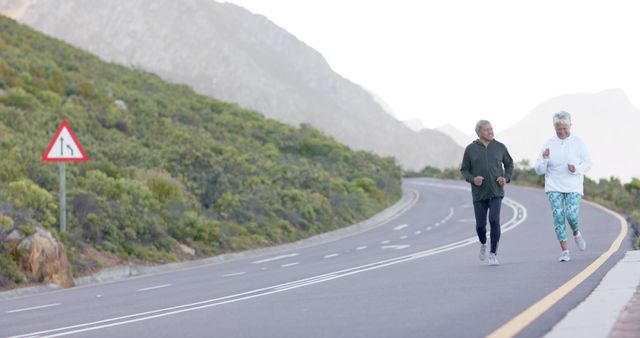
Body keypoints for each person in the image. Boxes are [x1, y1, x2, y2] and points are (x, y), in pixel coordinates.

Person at [535, 111, 592, 262]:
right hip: (554, 186)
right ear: (554, 127)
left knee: (571, 216)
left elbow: (588, 163)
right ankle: (565, 251)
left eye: (564, 128)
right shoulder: (548, 144)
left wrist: (577, 169)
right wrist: (545, 159)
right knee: (558, 217)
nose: (562, 131)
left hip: (573, 186)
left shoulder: (578, 142)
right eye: (558, 128)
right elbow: (539, 170)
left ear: (570, 125)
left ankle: (576, 232)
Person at [461, 120, 514, 266]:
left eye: (491, 128)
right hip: (479, 194)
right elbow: (464, 170)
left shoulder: (500, 147)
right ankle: (483, 243)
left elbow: (509, 164)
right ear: (479, 133)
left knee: (494, 220)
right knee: (480, 226)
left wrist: (506, 178)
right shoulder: (470, 149)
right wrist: (473, 179)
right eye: (486, 130)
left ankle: (493, 253)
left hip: (496, 192)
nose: (491, 131)